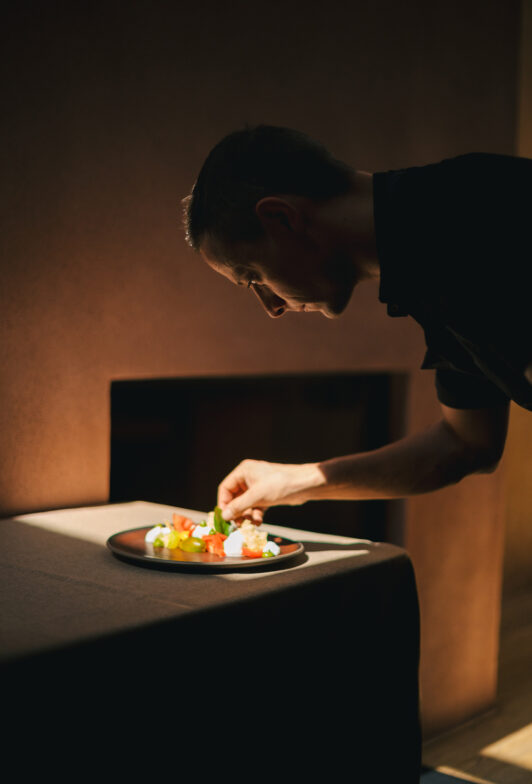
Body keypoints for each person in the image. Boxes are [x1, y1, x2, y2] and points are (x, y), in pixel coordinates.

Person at [182, 124, 532, 524]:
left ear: (281, 219)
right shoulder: (424, 262)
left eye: (254, 278)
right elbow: (466, 444)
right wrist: (296, 480)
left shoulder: (477, 210)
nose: (271, 307)